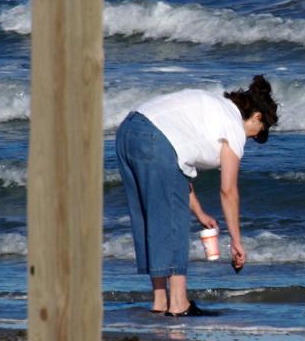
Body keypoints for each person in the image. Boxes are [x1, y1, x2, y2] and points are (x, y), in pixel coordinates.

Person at [114, 76, 278, 317]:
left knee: (151, 218)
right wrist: (236, 241)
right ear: (257, 117)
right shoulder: (233, 125)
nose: (253, 138)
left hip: (128, 132)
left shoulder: (215, 109)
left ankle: (160, 301)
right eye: (258, 133)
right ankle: (179, 303)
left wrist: (199, 212)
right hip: (155, 140)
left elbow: (177, 171)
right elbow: (228, 190)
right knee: (174, 224)